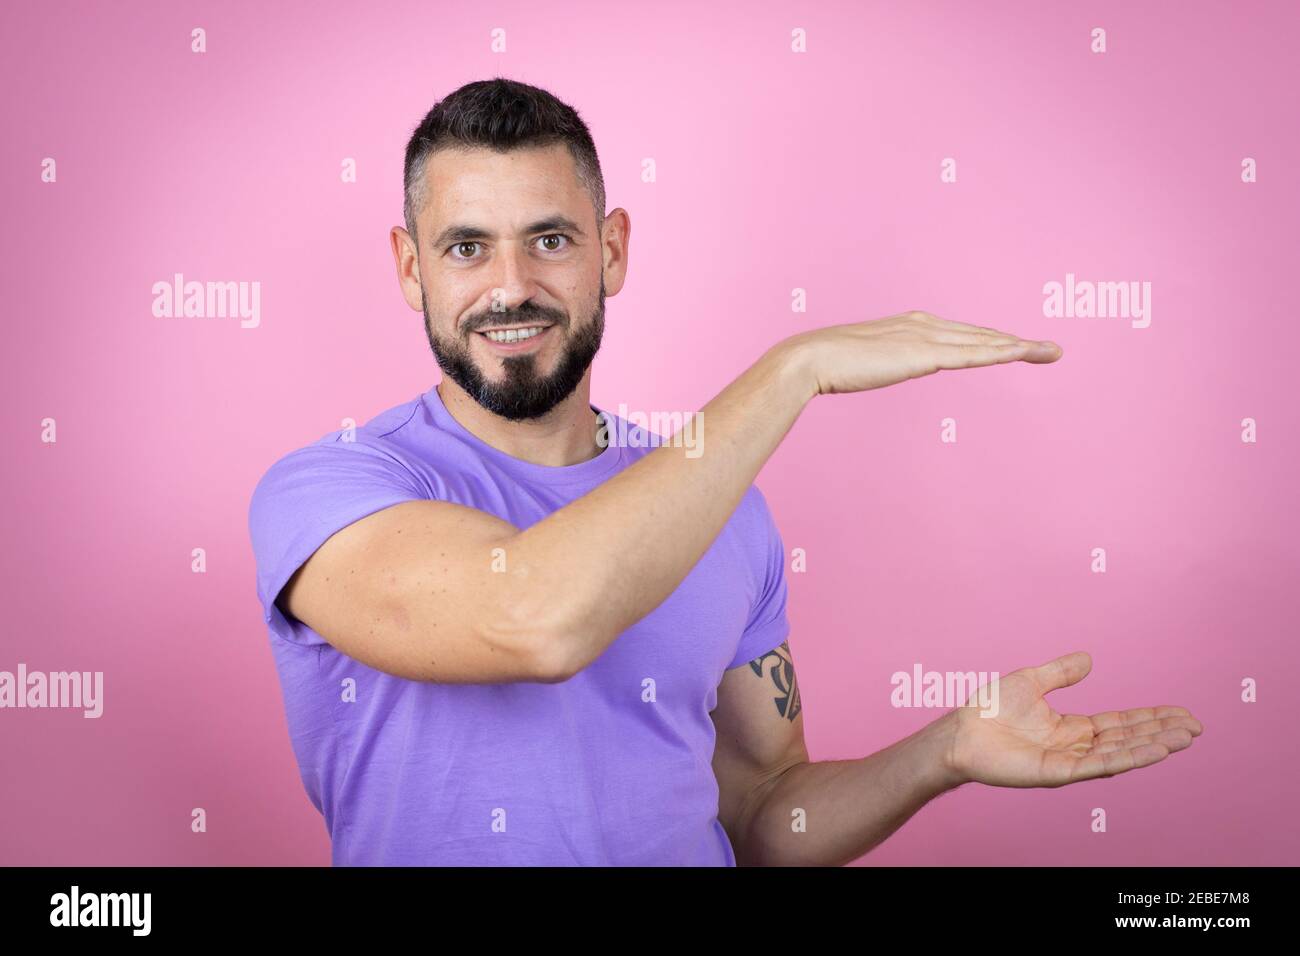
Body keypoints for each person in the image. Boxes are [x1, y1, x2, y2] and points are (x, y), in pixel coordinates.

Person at [247, 77, 1202, 866]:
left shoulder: (722, 511)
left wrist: (939, 753)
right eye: (466, 248)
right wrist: (793, 371)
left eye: (550, 239)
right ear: (411, 269)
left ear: (610, 251)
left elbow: (762, 810)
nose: (511, 287)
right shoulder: (330, 492)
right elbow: (533, 619)